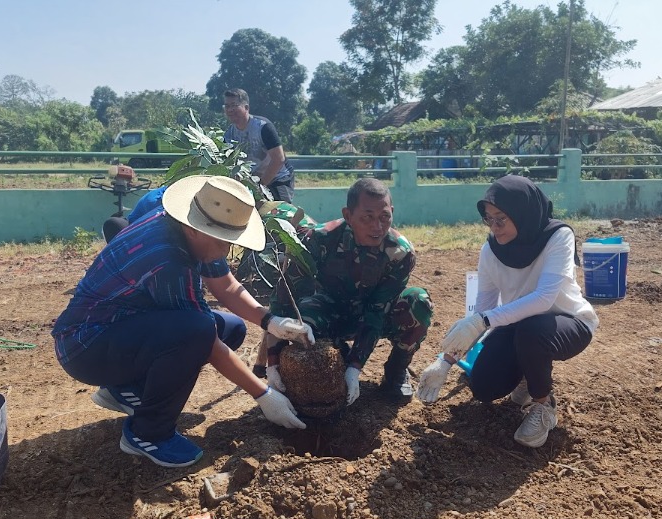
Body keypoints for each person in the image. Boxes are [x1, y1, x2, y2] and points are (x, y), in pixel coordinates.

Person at [52, 176, 315, 468]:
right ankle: (147, 433)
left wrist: (270, 320)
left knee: (233, 328)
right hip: (86, 346)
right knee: (199, 330)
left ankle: (125, 389)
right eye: (222, 242)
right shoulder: (169, 261)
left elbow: (225, 285)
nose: (226, 252)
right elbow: (205, 339)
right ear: (196, 230)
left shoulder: (191, 227)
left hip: (121, 328)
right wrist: (263, 394)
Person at [415, 175, 598, 448]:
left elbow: (545, 299)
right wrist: (446, 361)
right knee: (483, 386)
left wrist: (484, 320)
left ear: (522, 213)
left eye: (501, 219)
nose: (494, 227)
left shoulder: (558, 237)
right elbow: (485, 309)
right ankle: (529, 373)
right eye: (489, 219)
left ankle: (543, 405)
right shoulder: (490, 252)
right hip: (519, 325)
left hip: (568, 323)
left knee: (532, 333)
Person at [271, 177, 433, 405]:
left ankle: (396, 370)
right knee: (304, 317)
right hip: (330, 316)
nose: (377, 226)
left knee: (418, 301)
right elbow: (284, 298)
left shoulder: (400, 252)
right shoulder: (319, 239)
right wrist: (272, 361)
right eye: (367, 218)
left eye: (385, 217)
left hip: (372, 319)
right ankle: (329, 371)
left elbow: (377, 310)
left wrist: (356, 367)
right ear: (348, 215)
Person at [223, 88, 295, 202]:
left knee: (282, 215)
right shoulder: (228, 135)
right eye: (227, 106)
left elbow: (279, 159)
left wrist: (260, 186)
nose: (230, 109)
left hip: (277, 178)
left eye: (234, 105)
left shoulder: (263, 127)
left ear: (246, 107)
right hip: (253, 183)